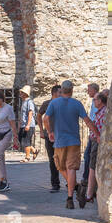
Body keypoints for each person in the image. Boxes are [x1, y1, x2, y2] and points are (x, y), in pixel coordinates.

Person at [42, 79, 96, 209]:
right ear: (71, 90)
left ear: (62, 90)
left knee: (60, 167)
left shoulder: (54, 103)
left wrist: (50, 132)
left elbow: (45, 118)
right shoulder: (77, 103)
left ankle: (71, 194)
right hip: (73, 141)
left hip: (59, 141)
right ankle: (72, 193)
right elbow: (87, 120)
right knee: (70, 168)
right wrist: (97, 133)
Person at [0, 92, 19, 192]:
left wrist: (15, 137)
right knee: (1, 157)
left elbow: (12, 123)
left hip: (6, 134)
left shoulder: (8, 108)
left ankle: (2, 180)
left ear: (2, 98)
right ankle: (4, 183)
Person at [38, 84, 62, 192]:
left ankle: (70, 181)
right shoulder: (46, 104)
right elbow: (39, 115)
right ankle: (55, 183)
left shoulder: (63, 104)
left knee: (64, 159)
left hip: (62, 135)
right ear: (54, 93)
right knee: (52, 160)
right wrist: (41, 130)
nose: (62, 94)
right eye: (60, 92)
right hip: (49, 136)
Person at [85, 89, 108, 206]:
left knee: (92, 167)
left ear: (100, 101)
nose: (93, 101)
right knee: (91, 166)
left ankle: (89, 194)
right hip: (94, 140)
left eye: (95, 99)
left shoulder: (104, 112)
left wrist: (98, 136)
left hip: (96, 141)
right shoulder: (100, 111)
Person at [80, 82, 100, 189]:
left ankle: (87, 178)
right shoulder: (93, 101)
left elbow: (95, 117)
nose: (88, 92)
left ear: (94, 90)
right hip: (93, 132)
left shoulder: (97, 101)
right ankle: (87, 177)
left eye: (89, 90)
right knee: (88, 155)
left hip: (95, 132)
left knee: (88, 155)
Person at [18, 85, 37, 162]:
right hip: (23, 124)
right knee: (21, 139)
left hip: (28, 125)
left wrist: (28, 124)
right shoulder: (24, 102)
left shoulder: (29, 102)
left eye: (22, 92)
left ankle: (27, 157)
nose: (20, 93)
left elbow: (30, 113)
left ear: (25, 93)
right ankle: (34, 150)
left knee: (26, 140)